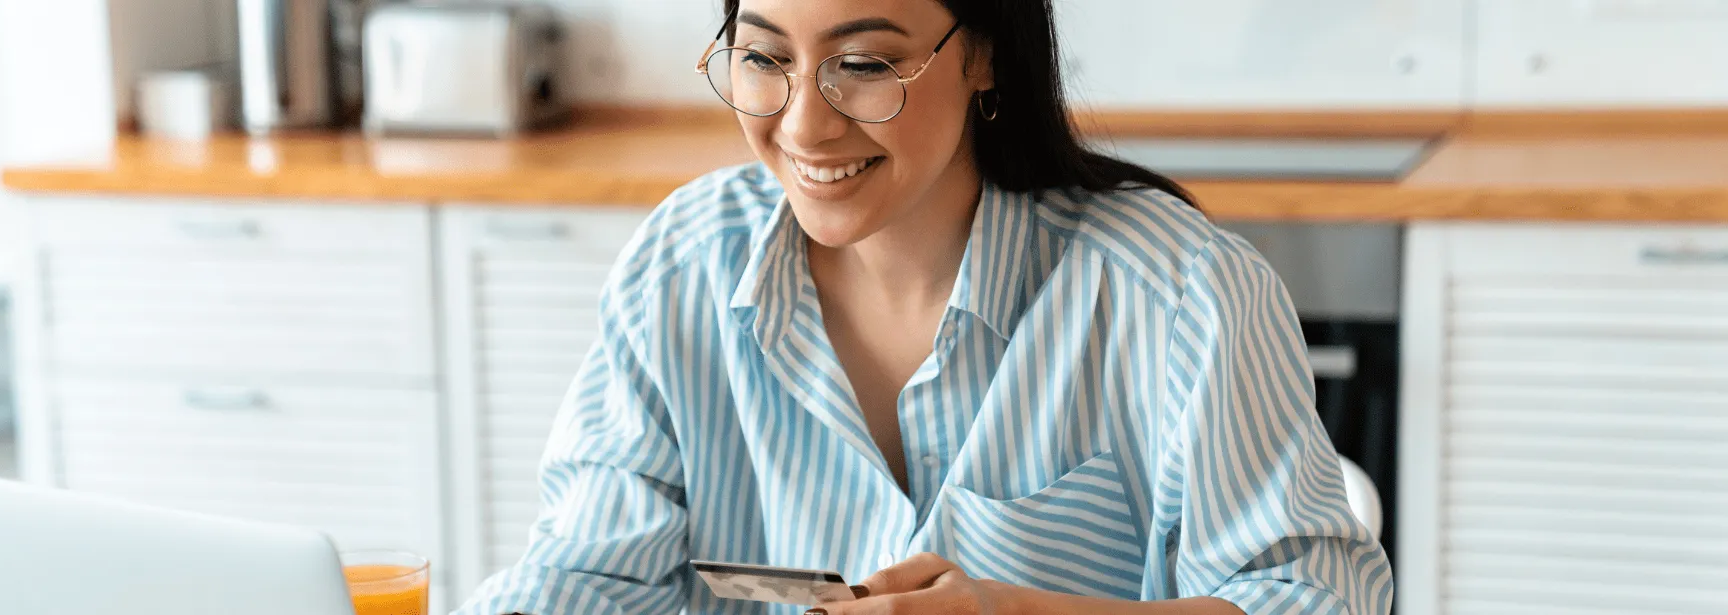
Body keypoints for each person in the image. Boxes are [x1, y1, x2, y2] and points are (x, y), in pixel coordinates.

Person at [454, 0, 1394, 613]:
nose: (804, 123)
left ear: (981, 53)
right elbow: (584, 571)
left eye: (863, 63)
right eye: (763, 59)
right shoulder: (685, 263)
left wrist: (1011, 608)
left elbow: (1313, 598)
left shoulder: (1181, 294)